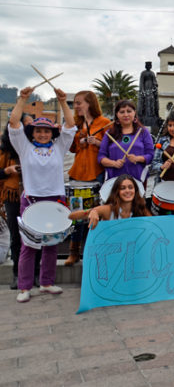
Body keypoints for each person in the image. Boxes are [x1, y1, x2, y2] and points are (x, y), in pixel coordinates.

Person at [8, 86, 77, 303]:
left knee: (51, 245)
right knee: (29, 245)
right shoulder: (24, 147)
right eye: (38, 130)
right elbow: (14, 123)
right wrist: (23, 99)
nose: (43, 134)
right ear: (33, 132)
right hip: (31, 200)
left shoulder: (59, 147)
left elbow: (71, 125)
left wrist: (63, 101)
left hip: (56, 200)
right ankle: (24, 286)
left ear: (52, 133)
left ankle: (46, 283)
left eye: (46, 131)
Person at [64, 91, 111, 266]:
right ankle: (74, 251)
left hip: (96, 173)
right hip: (77, 173)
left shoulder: (104, 123)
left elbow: (112, 147)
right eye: (75, 103)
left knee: (94, 214)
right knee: (76, 215)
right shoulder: (76, 124)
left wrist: (98, 143)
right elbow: (71, 148)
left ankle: (93, 252)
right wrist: (79, 141)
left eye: (79, 103)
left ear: (89, 103)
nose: (76, 106)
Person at [0, 114, 34, 289]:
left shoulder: (35, 147)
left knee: (35, 235)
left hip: (34, 195)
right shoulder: (4, 150)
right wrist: (7, 170)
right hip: (12, 196)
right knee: (16, 236)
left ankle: (35, 274)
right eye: (25, 124)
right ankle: (17, 274)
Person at [98, 100, 154, 182]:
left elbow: (151, 155)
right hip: (114, 179)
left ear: (134, 113)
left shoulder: (143, 131)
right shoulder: (109, 133)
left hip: (138, 179)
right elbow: (101, 157)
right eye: (122, 112)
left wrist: (137, 158)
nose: (126, 115)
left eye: (129, 111)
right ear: (117, 114)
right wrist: (114, 163)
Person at [69, 174, 152, 227]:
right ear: (117, 192)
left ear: (135, 190)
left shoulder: (140, 209)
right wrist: (93, 211)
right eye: (123, 188)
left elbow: (154, 225)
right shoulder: (108, 209)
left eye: (130, 187)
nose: (127, 191)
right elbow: (71, 216)